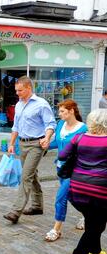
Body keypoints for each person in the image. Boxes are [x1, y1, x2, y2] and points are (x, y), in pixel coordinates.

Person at [58, 109, 107, 254]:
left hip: (77, 191)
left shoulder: (78, 138)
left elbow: (62, 156)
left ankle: (95, 251)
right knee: (95, 226)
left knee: (94, 221)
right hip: (100, 193)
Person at [3, 76, 56, 224]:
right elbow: (16, 127)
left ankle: (15, 211)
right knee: (32, 174)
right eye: (16, 90)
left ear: (28, 88)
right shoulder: (19, 104)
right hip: (22, 144)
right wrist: (12, 143)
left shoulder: (41, 104)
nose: (17, 93)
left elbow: (51, 124)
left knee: (25, 176)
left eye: (20, 90)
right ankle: (37, 206)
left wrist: (47, 138)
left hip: (36, 145)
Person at [44, 99, 87, 242]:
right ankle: (89, 216)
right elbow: (58, 142)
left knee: (61, 197)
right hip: (61, 168)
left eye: (62, 111)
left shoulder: (83, 129)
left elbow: (85, 149)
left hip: (74, 170)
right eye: (59, 111)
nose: (59, 114)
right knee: (73, 197)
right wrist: (46, 145)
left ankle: (56, 229)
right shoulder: (61, 124)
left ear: (71, 111)